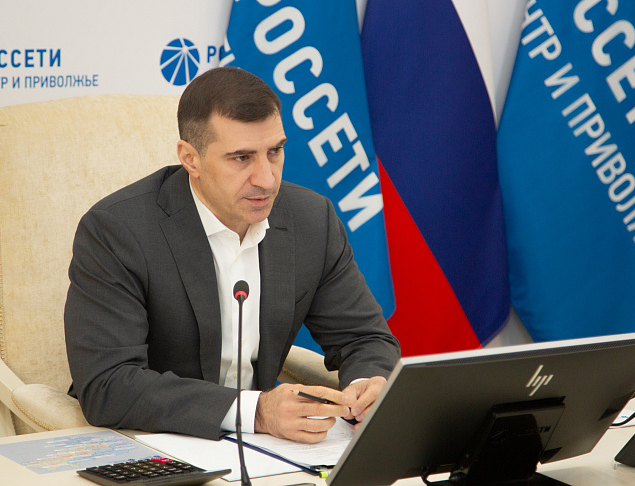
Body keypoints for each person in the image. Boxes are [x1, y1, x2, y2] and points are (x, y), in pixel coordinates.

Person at [64, 66, 400, 443]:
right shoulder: (117, 231)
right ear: (190, 159)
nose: (266, 179)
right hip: (153, 441)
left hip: (269, 448)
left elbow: (364, 338)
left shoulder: (311, 220)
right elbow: (108, 384)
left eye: (275, 152)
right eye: (241, 158)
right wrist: (256, 412)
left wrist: (367, 386)